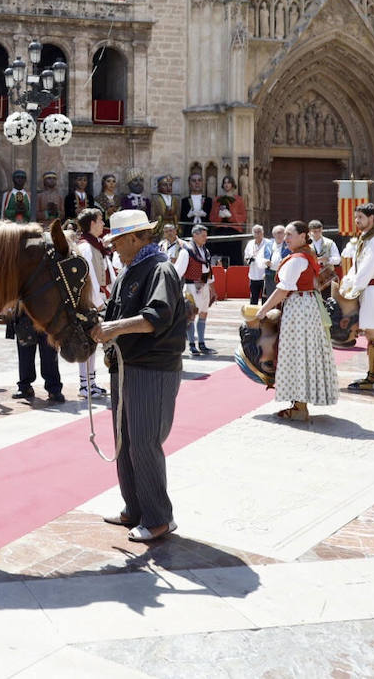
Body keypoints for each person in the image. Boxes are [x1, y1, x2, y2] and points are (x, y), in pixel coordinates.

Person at [89, 208, 187, 543]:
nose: (113, 246)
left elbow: (155, 317)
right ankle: (134, 508)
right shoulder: (131, 270)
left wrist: (111, 328)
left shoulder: (160, 269)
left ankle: (158, 518)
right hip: (128, 367)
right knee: (126, 441)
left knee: (144, 443)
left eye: (117, 240)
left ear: (134, 237)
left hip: (151, 369)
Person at [254, 220, 338, 422]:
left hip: (299, 308)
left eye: (290, 234)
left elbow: (283, 289)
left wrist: (262, 311)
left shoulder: (298, 258)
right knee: (304, 352)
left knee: (297, 352)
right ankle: (299, 403)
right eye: (285, 235)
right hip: (306, 306)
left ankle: (300, 406)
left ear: (303, 235)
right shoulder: (307, 254)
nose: (286, 238)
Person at [337, 203, 374, 392]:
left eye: (360, 217)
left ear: (372, 218)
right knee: (370, 335)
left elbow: (367, 268)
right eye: (356, 217)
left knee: (373, 335)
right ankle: (371, 375)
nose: (357, 221)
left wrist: (353, 290)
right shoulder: (365, 239)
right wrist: (347, 283)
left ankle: (373, 378)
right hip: (367, 290)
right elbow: (357, 268)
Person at [74, 208, 112, 399]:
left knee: (93, 342)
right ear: (91, 223)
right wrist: (98, 302)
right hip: (88, 302)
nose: (103, 224)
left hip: (98, 300)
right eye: (100, 220)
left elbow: (106, 272)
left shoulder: (96, 245)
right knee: (86, 343)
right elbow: (90, 277)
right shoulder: (85, 247)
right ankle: (84, 385)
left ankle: (91, 382)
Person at [8, 306, 64, 403]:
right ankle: (25, 387)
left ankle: (54, 389)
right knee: (25, 354)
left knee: (49, 354)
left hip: (48, 313)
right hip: (25, 311)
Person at [181, 224, 216, 355]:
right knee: (191, 315)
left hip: (204, 286)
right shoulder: (187, 251)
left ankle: (202, 343)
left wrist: (213, 289)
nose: (205, 238)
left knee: (203, 313)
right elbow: (179, 271)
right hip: (191, 286)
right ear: (194, 235)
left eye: (206, 235)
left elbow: (209, 271)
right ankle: (191, 345)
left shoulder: (205, 251)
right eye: (203, 235)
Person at [307, 220, 340, 293]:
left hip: (327, 277)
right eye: (314, 231)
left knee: (328, 301)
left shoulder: (329, 242)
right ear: (309, 231)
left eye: (319, 231)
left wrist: (327, 259)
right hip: (312, 277)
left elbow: (337, 259)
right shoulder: (306, 244)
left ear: (322, 230)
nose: (317, 234)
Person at [243, 224, 270, 305]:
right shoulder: (250, 243)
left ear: (263, 233)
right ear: (253, 233)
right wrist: (249, 259)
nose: (257, 234)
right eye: (255, 232)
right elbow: (246, 257)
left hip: (265, 275)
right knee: (253, 299)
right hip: (253, 275)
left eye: (259, 232)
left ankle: (265, 316)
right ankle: (253, 317)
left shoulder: (268, 243)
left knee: (265, 298)